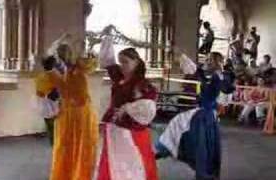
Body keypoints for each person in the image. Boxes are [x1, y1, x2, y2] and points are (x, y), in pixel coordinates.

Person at [155, 52, 235, 180]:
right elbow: (195, 70)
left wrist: (220, 79)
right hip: (199, 112)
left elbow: (227, 89)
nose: (207, 61)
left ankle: (203, 173)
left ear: (217, 62)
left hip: (205, 116)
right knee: (178, 126)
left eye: (210, 60)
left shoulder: (220, 76)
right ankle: (166, 149)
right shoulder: (205, 74)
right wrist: (181, 56)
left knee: (200, 145)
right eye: (207, 59)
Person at [95, 35, 158, 180]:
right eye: (121, 62)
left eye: (126, 62)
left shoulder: (142, 84)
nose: (122, 65)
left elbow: (148, 106)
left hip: (129, 131)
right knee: (109, 161)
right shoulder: (119, 76)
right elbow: (107, 60)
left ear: (136, 62)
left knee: (129, 166)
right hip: (113, 128)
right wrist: (107, 38)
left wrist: (128, 108)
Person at [47, 35, 99, 180]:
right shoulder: (74, 70)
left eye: (60, 56)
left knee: (74, 147)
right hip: (72, 114)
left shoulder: (76, 71)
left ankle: (75, 175)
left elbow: (73, 94)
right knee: (69, 147)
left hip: (77, 114)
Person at [35, 56, 61, 145]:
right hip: (52, 101)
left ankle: (52, 141)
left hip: (43, 101)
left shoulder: (40, 76)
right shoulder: (55, 75)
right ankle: (55, 141)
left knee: (49, 123)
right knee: (54, 123)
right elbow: (58, 90)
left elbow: (38, 90)